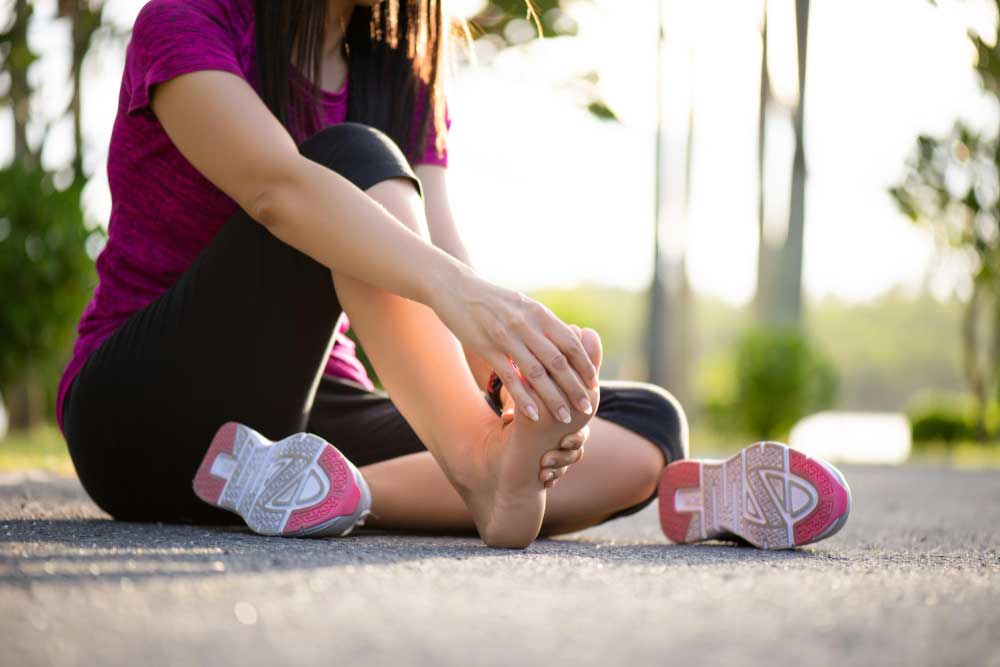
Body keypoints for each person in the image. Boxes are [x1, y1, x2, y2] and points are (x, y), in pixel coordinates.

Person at [58, 0, 850, 550]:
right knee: (350, 161)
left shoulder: (399, 74)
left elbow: (441, 254)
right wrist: (466, 313)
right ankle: (485, 475)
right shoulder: (186, 25)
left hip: (285, 426)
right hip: (140, 410)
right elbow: (279, 192)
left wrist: (533, 381)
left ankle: (330, 490)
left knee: (643, 424)